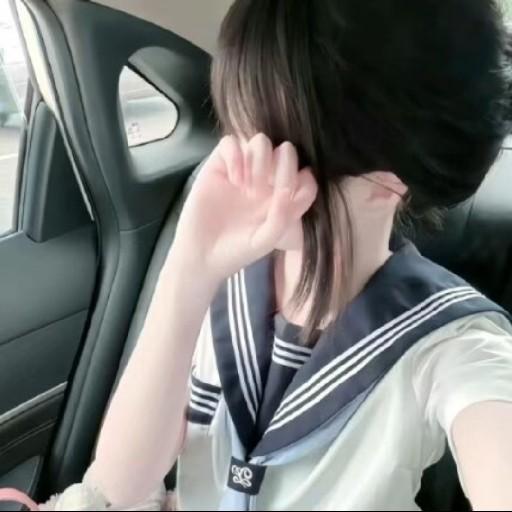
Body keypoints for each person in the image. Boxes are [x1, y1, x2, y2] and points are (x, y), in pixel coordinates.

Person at [44, 1, 512, 510]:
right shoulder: (223, 276)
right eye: (238, 130)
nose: (244, 162)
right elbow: (116, 490)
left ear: (389, 182)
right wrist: (189, 265)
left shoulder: (449, 342)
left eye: (280, 144)